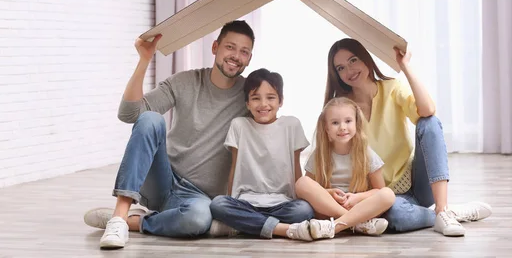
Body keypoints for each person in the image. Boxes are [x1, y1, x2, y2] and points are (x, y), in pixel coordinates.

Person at [85, 20, 255, 249]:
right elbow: (129, 113)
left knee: (198, 220)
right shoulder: (185, 81)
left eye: (244, 51)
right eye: (230, 47)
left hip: (197, 199)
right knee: (150, 119)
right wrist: (144, 60)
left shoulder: (249, 97)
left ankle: (134, 221)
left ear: (249, 59)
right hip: (163, 179)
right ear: (215, 47)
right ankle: (118, 217)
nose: (236, 55)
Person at [324, 38, 492, 236]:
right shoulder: (341, 110)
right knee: (396, 218)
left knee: (429, 122)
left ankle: (442, 209)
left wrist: (405, 67)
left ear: (365, 58)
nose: (349, 70)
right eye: (341, 68)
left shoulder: (392, 88)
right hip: (380, 195)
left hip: (417, 181)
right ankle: (447, 214)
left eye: (353, 60)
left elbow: (428, 109)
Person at [209, 68, 315, 240]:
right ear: (247, 103)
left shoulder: (291, 125)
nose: (263, 104)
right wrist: (231, 199)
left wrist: (299, 198)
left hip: (282, 203)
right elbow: (234, 167)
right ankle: (281, 229)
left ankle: (245, 226)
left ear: (281, 101)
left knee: (304, 210)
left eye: (271, 97)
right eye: (256, 98)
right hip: (246, 203)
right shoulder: (239, 125)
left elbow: (296, 168)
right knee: (218, 204)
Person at [293, 97, 395, 240]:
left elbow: (379, 190)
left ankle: (336, 227)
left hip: (359, 207)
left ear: (356, 123)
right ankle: (357, 224)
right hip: (328, 209)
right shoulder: (320, 154)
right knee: (301, 182)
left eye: (348, 121)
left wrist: (357, 198)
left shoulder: (366, 153)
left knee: (388, 194)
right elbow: (307, 189)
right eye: (335, 123)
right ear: (326, 128)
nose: (342, 127)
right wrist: (328, 193)